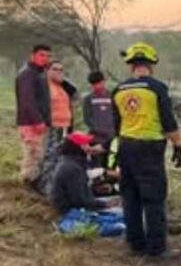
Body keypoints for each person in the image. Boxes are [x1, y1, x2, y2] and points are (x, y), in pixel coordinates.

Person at [113, 43, 181, 259]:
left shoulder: (118, 90)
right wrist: (178, 146)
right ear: (151, 65)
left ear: (131, 66)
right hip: (149, 148)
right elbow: (168, 120)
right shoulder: (157, 88)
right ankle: (156, 248)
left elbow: (116, 125)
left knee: (130, 197)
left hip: (126, 146)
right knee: (153, 199)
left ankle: (135, 244)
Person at [35, 61, 79, 195]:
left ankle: (54, 187)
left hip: (65, 127)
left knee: (59, 158)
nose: (59, 72)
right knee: (49, 157)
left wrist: (63, 80)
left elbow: (75, 92)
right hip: (51, 127)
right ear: (47, 71)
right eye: (55, 69)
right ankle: (44, 188)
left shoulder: (63, 87)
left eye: (61, 70)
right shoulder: (43, 86)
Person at [14, 44, 52, 188]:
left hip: (41, 122)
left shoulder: (40, 74)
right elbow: (27, 101)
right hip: (30, 123)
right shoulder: (27, 74)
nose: (45, 58)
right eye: (42, 55)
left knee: (39, 156)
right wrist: (37, 121)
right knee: (32, 155)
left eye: (48, 56)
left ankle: (35, 184)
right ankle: (27, 185)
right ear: (33, 56)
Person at [48, 132, 110, 215]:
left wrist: (94, 190)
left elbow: (75, 191)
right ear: (81, 148)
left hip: (69, 208)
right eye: (86, 144)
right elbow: (79, 200)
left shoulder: (69, 162)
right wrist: (105, 204)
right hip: (70, 212)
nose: (89, 147)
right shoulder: (74, 169)